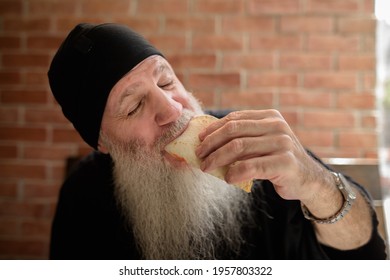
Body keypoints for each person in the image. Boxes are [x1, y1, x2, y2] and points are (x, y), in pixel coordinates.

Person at [47, 23, 387, 260]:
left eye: (166, 81)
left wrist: (316, 183)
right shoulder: (83, 193)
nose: (172, 108)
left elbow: (363, 253)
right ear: (103, 143)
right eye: (134, 105)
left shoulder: (250, 143)